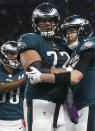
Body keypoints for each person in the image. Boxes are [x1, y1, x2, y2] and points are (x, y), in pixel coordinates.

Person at [26, 15, 95, 131]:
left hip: (94, 107)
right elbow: (70, 98)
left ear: (83, 30)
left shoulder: (90, 42)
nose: (68, 35)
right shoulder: (76, 54)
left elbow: (74, 77)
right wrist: (73, 117)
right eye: (66, 32)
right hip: (84, 110)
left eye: (72, 31)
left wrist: (42, 77)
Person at [17, 3, 74, 131]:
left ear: (56, 22)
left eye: (51, 20)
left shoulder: (64, 44)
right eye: (42, 20)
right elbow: (36, 70)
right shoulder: (29, 39)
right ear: (35, 23)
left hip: (64, 104)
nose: (47, 24)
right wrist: (69, 71)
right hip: (39, 101)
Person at [0, 41, 26, 131]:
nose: (15, 56)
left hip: (19, 121)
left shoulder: (25, 71)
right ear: (3, 55)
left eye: (17, 54)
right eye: (12, 53)